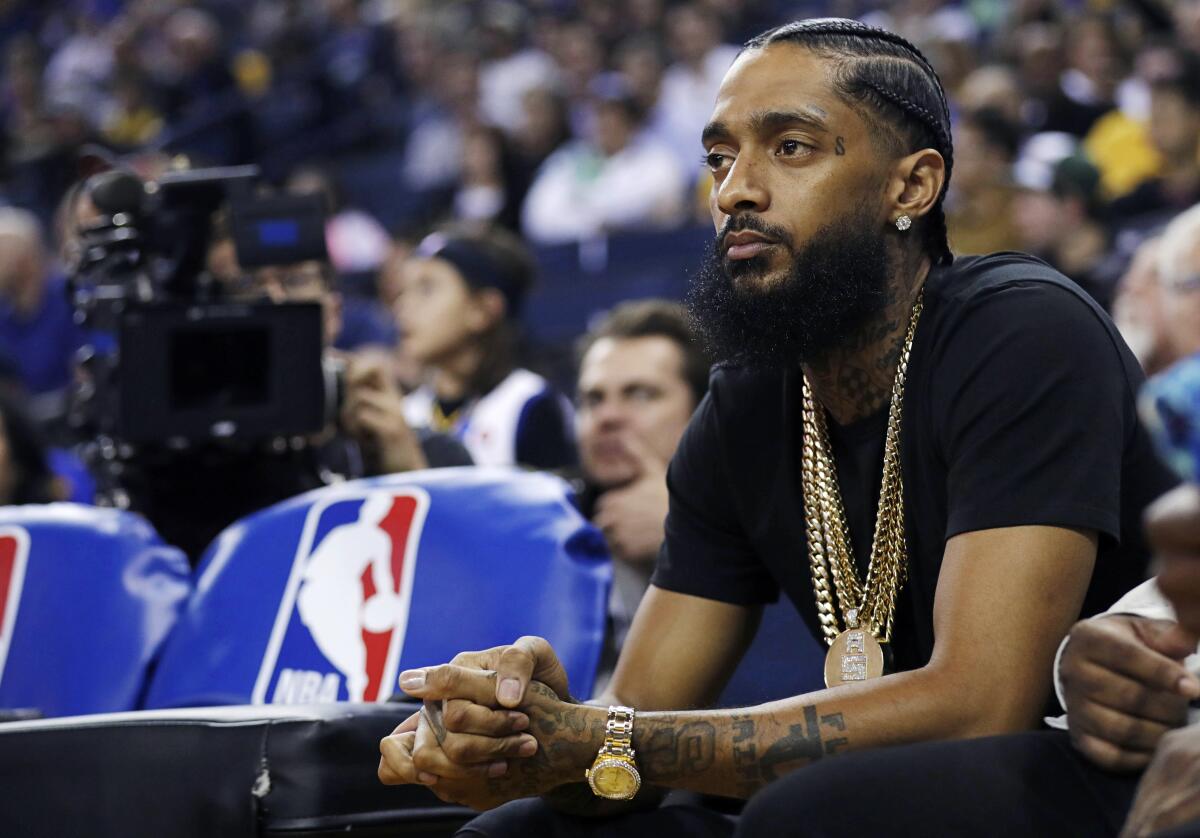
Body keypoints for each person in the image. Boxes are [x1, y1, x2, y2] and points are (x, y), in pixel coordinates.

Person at [377, 18, 1176, 835]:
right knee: (524, 831)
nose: (734, 192)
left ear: (913, 186)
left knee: (806, 812)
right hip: (887, 793)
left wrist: (603, 737)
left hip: (1112, 770)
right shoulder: (749, 403)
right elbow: (634, 732)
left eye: (789, 147)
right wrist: (525, 736)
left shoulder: (1021, 332)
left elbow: (981, 706)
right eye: (720, 159)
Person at [571, 300, 711, 689]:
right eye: (593, 399)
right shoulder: (551, 530)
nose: (608, 416)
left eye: (640, 394)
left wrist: (689, 530)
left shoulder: (763, 520)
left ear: (705, 409)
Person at [398, 224, 575, 470]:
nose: (402, 306)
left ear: (482, 309)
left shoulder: (530, 404)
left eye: (426, 289)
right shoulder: (404, 413)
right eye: (404, 291)